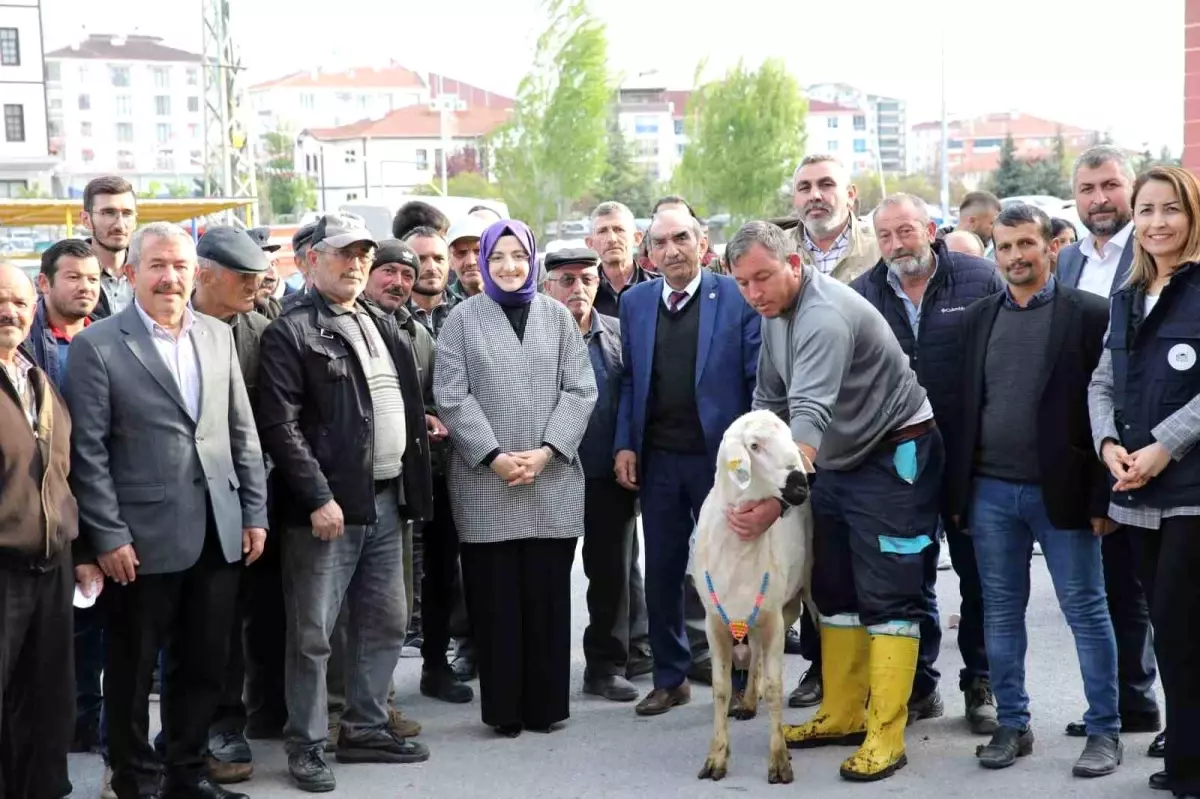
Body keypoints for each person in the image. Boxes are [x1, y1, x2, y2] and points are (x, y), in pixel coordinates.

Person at [726, 220, 940, 782]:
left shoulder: (821, 316)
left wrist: (773, 505)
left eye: (763, 278)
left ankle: (886, 734)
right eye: (743, 283)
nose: (754, 294)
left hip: (895, 455)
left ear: (795, 264)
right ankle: (843, 713)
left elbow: (806, 424)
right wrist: (750, 481)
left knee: (889, 591)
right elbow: (767, 406)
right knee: (834, 589)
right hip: (837, 462)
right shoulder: (773, 316)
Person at [64, 222, 269, 799]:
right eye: (157, 265)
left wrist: (254, 513)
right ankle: (131, 779)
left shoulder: (216, 336)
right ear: (131, 273)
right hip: (139, 540)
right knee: (130, 673)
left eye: (180, 266)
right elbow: (90, 453)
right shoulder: (97, 345)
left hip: (217, 531)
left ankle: (187, 773)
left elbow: (241, 433)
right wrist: (107, 536)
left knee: (202, 665)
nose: (170, 277)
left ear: (196, 273)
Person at [258, 213, 434, 792]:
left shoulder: (375, 319)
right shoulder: (292, 330)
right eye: (343, 254)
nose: (356, 263)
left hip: (387, 497)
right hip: (327, 511)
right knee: (314, 633)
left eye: (363, 254)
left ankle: (364, 726)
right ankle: (307, 744)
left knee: (385, 619)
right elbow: (280, 427)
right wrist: (317, 496)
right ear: (310, 261)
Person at [948, 204, 1120, 777]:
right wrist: (962, 493)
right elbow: (963, 407)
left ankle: (1104, 731)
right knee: (999, 613)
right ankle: (1013, 724)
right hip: (991, 492)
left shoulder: (1091, 314)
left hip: (1064, 493)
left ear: (1052, 247)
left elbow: (1109, 408)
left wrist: (1103, 498)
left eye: (1026, 244)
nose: (1015, 256)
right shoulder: (977, 318)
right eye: (1004, 247)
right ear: (993, 254)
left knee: (1087, 613)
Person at [433, 219, 597, 736]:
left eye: (518, 256)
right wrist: (495, 456)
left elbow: (581, 390)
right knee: (496, 600)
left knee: (547, 599)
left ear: (533, 260)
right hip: (487, 481)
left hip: (552, 477)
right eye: (498, 256)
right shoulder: (462, 319)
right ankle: (504, 710)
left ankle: (546, 707)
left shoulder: (556, 316)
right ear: (484, 261)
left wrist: (547, 451)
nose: (508, 266)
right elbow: (452, 394)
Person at [851, 193, 1004, 735]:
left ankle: (981, 683)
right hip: (898, 465)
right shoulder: (862, 294)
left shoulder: (980, 278)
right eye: (886, 236)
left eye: (906, 231)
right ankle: (918, 685)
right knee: (908, 575)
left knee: (978, 575)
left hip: (969, 457)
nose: (897, 245)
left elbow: (1002, 360)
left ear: (931, 228)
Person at [613, 208, 761, 717]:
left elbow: (755, 382)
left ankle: (743, 677)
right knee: (663, 572)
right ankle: (670, 678)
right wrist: (625, 444)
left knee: (731, 572)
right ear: (647, 252)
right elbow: (631, 380)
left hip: (722, 462)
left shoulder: (735, 297)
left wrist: (749, 462)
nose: (671, 250)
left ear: (702, 243)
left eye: (681, 238)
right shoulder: (634, 302)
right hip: (660, 460)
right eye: (660, 242)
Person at [1088, 165, 1200, 797]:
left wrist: (1164, 446)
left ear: (1192, 215)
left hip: (1190, 493)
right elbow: (1103, 379)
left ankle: (1192, 767)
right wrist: (1109, 443)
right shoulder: (1127, 294)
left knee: (1185, 631)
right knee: (1165, 624)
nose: (1158, 223)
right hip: (1136, 492)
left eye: (1171, 209)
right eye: (1147, 210)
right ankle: (1186, 756)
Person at [1056, 146, 1161, 748]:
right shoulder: (1068, 259)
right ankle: (1119, 701)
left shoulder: (1152, 257)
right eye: (1088, 188)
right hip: (1086, 439)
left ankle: (1141, 700)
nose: (1100, 198)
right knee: (1097, 583)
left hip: (1142, 445)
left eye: (1111, 186)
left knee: (1135, 584)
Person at [542, 247, 650, 702]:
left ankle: (607, 666)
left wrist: (629, 448)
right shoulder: (535, 335)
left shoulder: (620, 334)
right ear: (547, 286)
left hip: (609, 471)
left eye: (587, 279)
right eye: (566, 280)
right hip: (550, 472)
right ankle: (541, 668)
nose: (578, 288)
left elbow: (634, 396)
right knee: (547, 574)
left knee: (612, 574)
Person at [0, 261, 88, 799]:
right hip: (3, 568)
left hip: (50, 566)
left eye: (15, 301)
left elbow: (61, 472)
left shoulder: (34, 374)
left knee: (48, 698)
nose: (7, 311)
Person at [190, 227, 273, 786]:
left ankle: (233, 719)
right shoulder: (169, 328)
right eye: (244, 277)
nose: (256, 285)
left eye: (258, 276)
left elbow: (267, 426)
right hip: (174, 504)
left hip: (247, 501)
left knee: (243, 619)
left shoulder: (261, 332)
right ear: (207, 274)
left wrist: (257, 505)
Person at [23, 239, 104, 753]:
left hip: (103, 502)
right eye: (73, 277)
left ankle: (89, 724)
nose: (85, 287)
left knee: (100, 627)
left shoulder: (109, 337)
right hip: (48, 510)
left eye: (92, 279)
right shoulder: (25, 347)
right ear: (45, 283)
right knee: (64, 633)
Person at [787, 154, 880, 283]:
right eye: (804, 188)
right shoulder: (776, 250)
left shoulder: (880, 245)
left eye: (826, 185)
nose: (814, 195)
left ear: (850, 195)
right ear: (794, 200)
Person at [80, 176, 137, 318]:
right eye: (108, 213)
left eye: (127, 214)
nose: (119, 225)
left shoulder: (149, 272)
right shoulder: (65, 276)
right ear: (86, 220)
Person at [586, 201, 655, 317]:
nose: (612, 239)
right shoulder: (584, 293)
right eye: (602, 231)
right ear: (590, 243)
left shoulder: (660, 288)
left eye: (619, 229)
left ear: (637, 238)